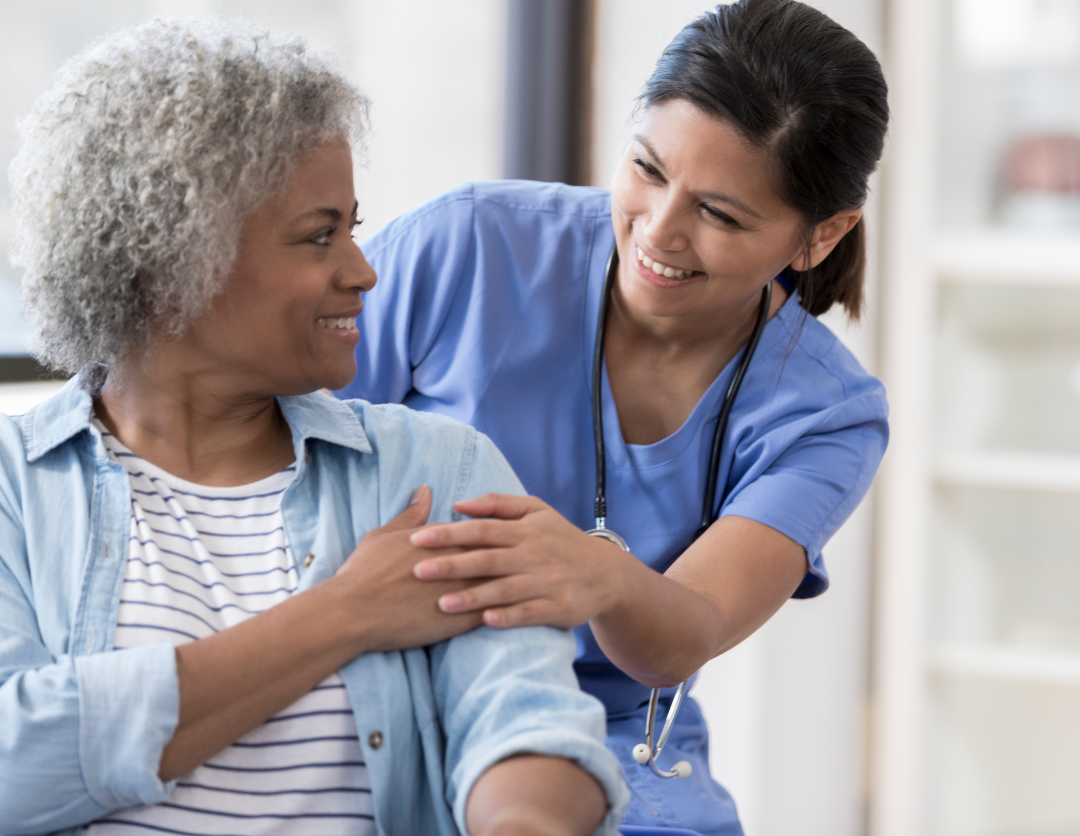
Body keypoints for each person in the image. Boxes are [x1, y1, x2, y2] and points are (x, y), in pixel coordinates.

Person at [0, 19, 629, 836]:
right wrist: (346, 611)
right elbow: (15, 765)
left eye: (354, 228)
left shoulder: (435, 470)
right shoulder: (15, 489)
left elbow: (523, 717)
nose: (363, 270)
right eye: (319, 234)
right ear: (171, 266)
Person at [336, 1, 890, 833]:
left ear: (820, 237)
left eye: (721, 214)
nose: (658, 231)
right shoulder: (474, 244)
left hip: (612, 733)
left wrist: (601, 575)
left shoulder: (828, 414)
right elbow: (274, 439)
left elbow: (680, 638)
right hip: (377, 670)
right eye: (647, 169)